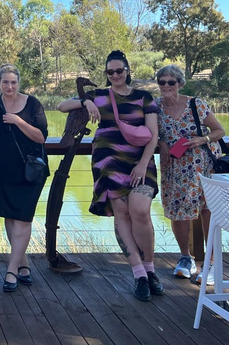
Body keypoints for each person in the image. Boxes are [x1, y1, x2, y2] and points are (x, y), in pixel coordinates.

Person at [57, 50, 162, 302]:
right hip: (108, 161)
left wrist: (142, 165)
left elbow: (153, 135)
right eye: (110, 72)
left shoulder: (144, 97)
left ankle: (150, 268)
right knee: (122, 213)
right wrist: (86, 102)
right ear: (106, 74)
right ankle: (139, 274)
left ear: (128, 71)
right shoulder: (100, 95)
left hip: (140, 161)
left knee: (140, 210)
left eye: (119, 70)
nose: (115, 75)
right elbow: (61, 106)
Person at [155, 64, 225, 286]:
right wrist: (161, 142)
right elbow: (150, 133)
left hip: (202, 166)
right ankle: (186, 258)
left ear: (180, 84)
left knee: (207, 210)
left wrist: (202, 139)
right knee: (178, 211)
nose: (166, 86)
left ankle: (211, 263)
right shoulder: (155, 107)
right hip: (174, 166)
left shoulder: (196, 104)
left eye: (171, 82)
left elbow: (219, 131)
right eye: (162, 82)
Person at [0, 64, 48, 292]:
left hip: (29, 172)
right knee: (10, 218)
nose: (9, 86)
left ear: (18, 82)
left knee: (23, 219)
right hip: (1, 171)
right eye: (5, 82)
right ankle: (22, 263)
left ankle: (10, 270)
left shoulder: (33, 104)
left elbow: (41, 137)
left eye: (13, 82)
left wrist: (18, 121)